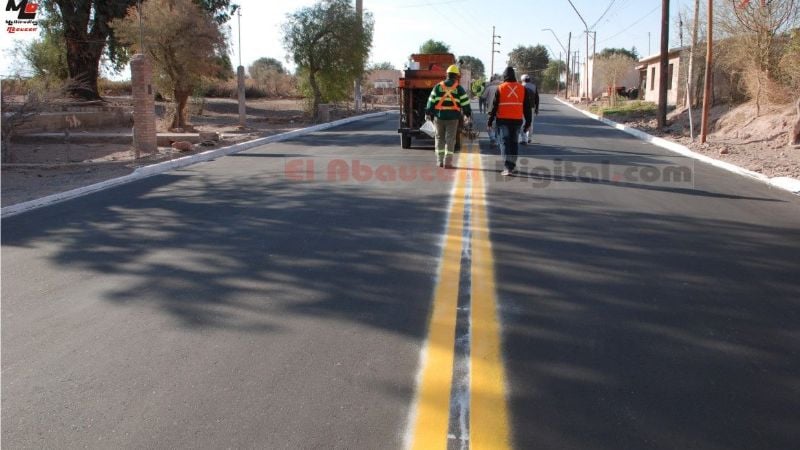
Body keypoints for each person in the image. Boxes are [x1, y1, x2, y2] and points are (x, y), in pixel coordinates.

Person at [487, 67, 532, 176]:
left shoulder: (500, 88)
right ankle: (512, 165)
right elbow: (527, 108)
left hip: (503, 121)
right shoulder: (522, 88)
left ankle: (508, 168)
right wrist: (528, 123)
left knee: (505, 143)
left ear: (504, 76)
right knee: (514, 143)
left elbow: (494, 107)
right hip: (517, 121)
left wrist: (490, 121)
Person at [426, 64, 472, 168]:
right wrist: (467, 114)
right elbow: (465, 103)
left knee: (439, 138)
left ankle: (439, 161)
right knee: (450, 139)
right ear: (456, 76)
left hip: (439, 117)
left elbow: (430, 101)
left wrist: (428, 113)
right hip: (453, 118)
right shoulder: (459, 88)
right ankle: (448, 162)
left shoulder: (438, 87)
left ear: (447, 75)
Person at [518, 74, 540, 144]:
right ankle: (529, 138)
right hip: (532, 107)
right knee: (530, 122)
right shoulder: (534, 86)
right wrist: (537, 108)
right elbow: (537, 98)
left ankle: (524, 138)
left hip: (522, 107)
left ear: (522, 80)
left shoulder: (521, 86)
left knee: (522, 123)